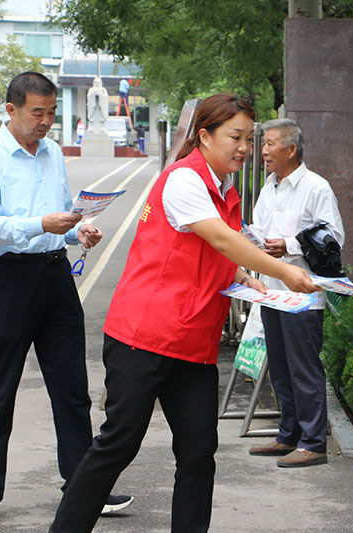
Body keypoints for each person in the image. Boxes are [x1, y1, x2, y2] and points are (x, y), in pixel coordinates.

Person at [49, 96, 318, 532]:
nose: (245, 148)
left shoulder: (224, 187)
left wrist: (242, 276)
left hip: (194, 343)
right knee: (118, 444)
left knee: (197, 452)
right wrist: (283, 271)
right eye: (235, 137)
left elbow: (216, 252)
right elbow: (222, 239)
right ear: (205, 135)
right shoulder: (183, 180)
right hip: (145, 336)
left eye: (249, 139)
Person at [0, 71, 131, 528]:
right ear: (11, 110)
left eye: (51, 113)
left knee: (72, 389)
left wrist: (80, 229)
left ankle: (82, 485)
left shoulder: (53, 151)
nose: (45, 122)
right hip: (8, 281)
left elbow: (63, 210)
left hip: (56, 276)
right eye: (37, 113)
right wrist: (43, 224)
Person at [247, 118, 344, 468]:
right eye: (263, 144)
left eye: (270, 143)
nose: (263, 151)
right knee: (281, 367)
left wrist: (287, 245)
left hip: (302, 293)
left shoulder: (316, 187)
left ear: (291, 148)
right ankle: (288, 435)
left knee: (304, 368)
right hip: (271, 292)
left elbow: (334, 236)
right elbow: (259, 228)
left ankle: (314, 441)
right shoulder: (268, 188)